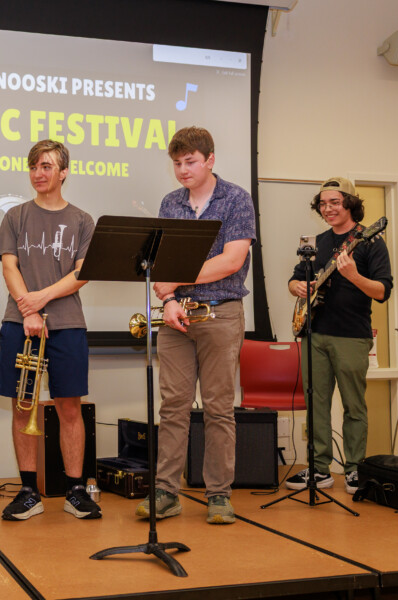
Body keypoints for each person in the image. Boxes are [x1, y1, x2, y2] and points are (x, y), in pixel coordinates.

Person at [135, 126, 255, 525]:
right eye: (176, 163)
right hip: (176, 316)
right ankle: (167, 492)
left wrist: (178, 278)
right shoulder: (171, 202)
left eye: (190, 162)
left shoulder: (236, 198)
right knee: (173, 407)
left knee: (219, 409)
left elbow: (231, 261)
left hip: (222, 313)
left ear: (210, 160)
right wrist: (168, 300)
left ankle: (219, 495)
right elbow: (162, 266)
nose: (183, 170)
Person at [0, 139, 100, 520]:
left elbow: (81, 273)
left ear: (64, 172)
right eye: (34, 166)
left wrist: (41, 300)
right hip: (20, 324)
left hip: (67, 324)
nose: (39, 173)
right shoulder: (15, 216)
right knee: (23, 407)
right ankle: (27, 491)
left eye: (47, 166)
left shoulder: (83, 220)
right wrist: (28, 308)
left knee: (70, 408)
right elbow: (9, 267)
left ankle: (75, 490)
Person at [286, 177, 392, 494]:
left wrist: (353, 275)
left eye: (335, 201)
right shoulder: (317, 242)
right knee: (316, 404)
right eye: (323, 203)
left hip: (351, 336)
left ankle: (354, 470)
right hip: (314, 333)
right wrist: (298, 287)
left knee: (353, 406)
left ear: (350, 203)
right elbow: (294, 280)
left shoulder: (370, 241)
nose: (328, 208)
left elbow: (383, 291)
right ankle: (319, 470)